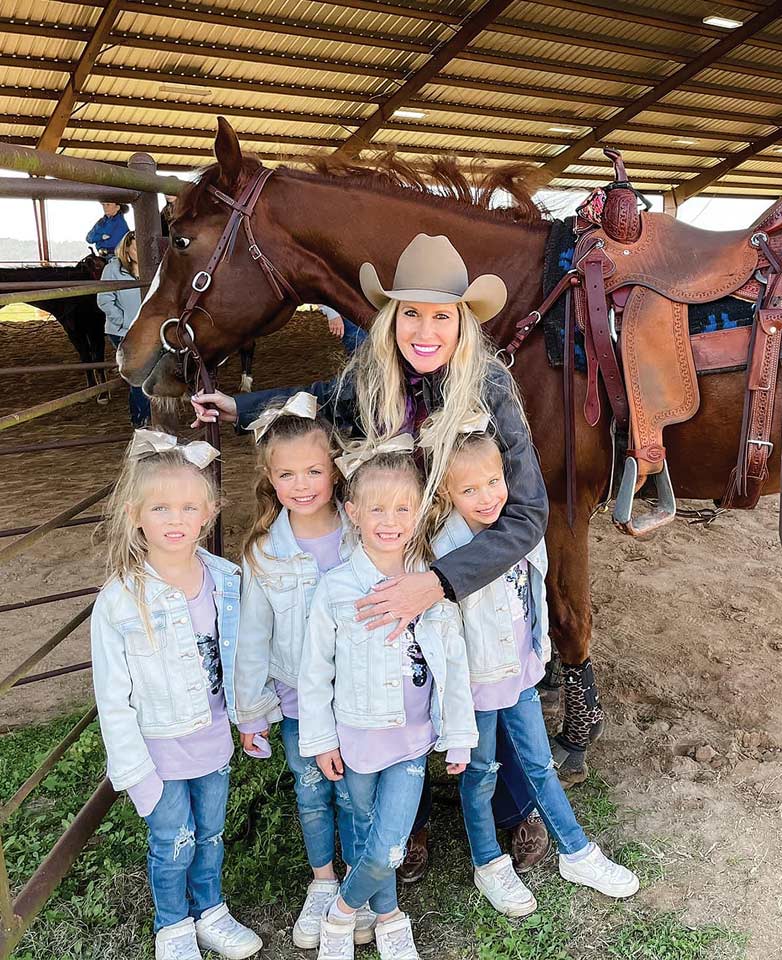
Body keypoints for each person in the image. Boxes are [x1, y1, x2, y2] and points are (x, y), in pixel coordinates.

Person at [190, 234, 552, 876]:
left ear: (463, 322)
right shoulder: (375, 373)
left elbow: (527, 513)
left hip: (475, 556)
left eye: (442, 315)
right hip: (397, 543)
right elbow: (324, 397)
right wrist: (241, 405)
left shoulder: (490, 385)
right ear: (391, 318)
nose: (425, 328)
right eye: (411, 312)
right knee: (391, 668)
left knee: (491, 677)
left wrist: (439, 583)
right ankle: (402, 820)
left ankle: (510, 807)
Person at [431, 427, 638, 916]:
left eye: (494, 482)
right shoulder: (444, 550)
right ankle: (488, 863)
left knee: (540, 763)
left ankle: (577, 851)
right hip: (477, 686)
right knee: (479, 774)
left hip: (520, 674)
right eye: (469, 489)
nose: (487, 498)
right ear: (446, 492)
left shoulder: (520, 530)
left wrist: (540, 651)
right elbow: (445, 639)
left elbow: (538, 593)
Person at [300, 441, 476, 960]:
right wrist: (320, 738)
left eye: (403, 508)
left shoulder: (431, 585)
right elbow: (316, 672)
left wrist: (460, 733)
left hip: (411, 739)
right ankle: (388, 913)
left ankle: (342, 912)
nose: (390, 521)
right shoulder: (335, 589)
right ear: (353, 513)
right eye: (376, 509)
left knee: (390, 844)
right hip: (354, 736)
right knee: (362, 831)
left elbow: (453, 666)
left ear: (419, 510)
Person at [90, 430, 262, 960]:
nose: (176, 519)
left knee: (209, 834)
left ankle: (210, 910)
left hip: (212, 740)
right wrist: (133, 771)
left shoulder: (226, 580)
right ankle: (173, 926)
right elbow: (112, 698)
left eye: (189, 507)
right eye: (161, 507)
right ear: (135, 514)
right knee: (173, 841)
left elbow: (245, 657)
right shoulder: (120, 600)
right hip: (158, 749)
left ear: (209, 514)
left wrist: (253, 715)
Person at [232, 393, 370, 950]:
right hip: (296, 698)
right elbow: (251, 639)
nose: (303, 483)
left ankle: (359, 890)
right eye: (287, 473)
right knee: (312, 789)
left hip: (359, 690)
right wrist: (251, 711)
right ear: (270, 477)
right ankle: (322, 882)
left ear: (335, 470)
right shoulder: (264, 551)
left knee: (357, 793)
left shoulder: (364, 533)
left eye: (314, 470)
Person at [98, 231, 152, 426]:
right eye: (136, 248)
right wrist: (122, 322)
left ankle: (142, 420)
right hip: (122, 331)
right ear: (127, 249)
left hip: (147, 330)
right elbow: (104, 299)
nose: (140, 252)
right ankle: (142, 420)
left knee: (146, 373)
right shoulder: (113, 270)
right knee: (139, 373)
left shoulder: (152, 269)